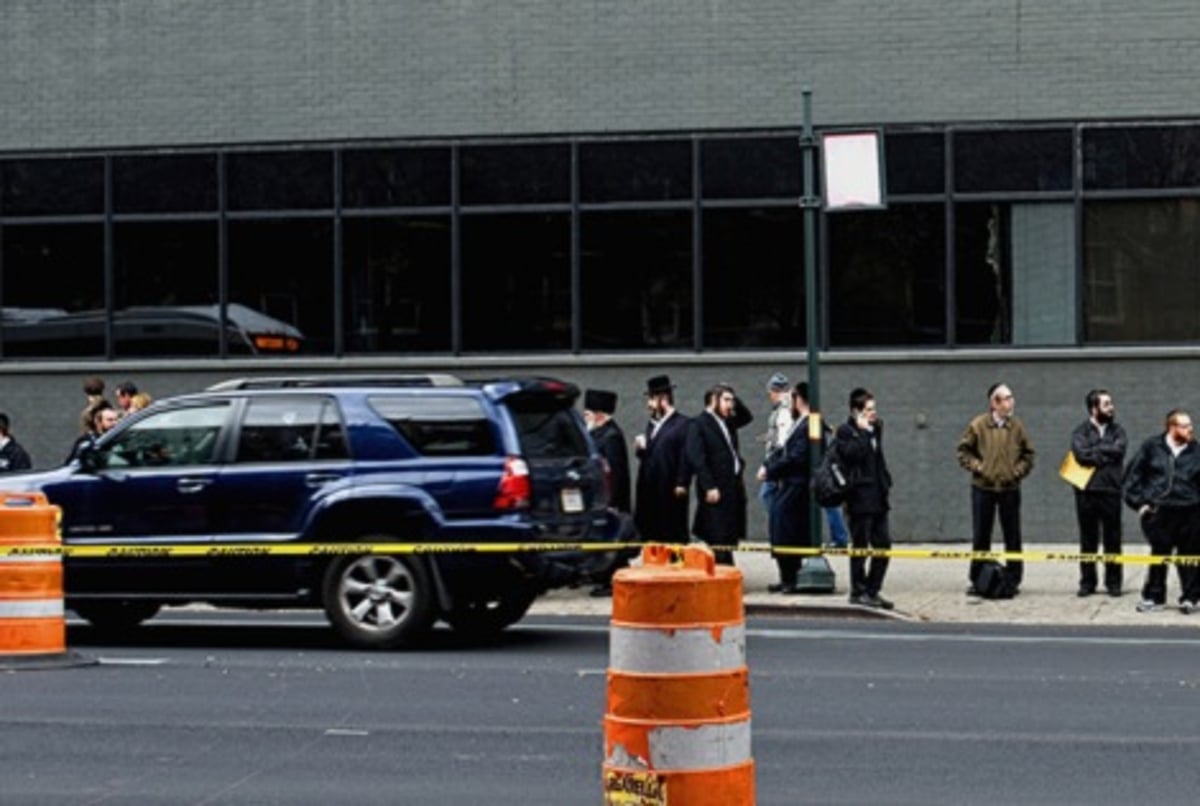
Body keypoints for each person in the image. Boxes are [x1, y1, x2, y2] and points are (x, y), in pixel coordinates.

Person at [956, 382, 1035, 596]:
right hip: (984, 488)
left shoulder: (1017, 427)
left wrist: (1017, 471)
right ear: (994, 403)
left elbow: (1028, 454)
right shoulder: (978, 426)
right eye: (1007, 398)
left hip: (1010, 488)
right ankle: (977, 578)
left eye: (1011, 397)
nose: (1011, 402)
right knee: (981, 535)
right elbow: (963, 451)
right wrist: (979, 467)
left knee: (1013, 535)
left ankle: (1014, 579)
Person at [1122, 409, 1200, 613]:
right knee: (1159, 554)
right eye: (1185, 426)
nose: (1190, 429)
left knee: (1190, 555)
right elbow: (1132, 477)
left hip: (1190, 511)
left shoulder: (1196, 451)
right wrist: (1139, 504)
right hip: (1159, 512)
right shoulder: (1151, 447)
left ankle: (1190, 597)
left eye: (1190, 425)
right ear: (1172, 428)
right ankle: (1154, 598)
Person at [836, 387, 894, 610]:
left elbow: (877, 458)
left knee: (883, 545)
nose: (873, 413)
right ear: (855, 412)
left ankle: (873, 589)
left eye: (874, 409)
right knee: (860, 546)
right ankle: (858, 590)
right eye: (868, 410)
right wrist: (862, 433)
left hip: (879, 496)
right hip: (859, 499)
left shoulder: (877, 427)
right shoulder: (845, 431)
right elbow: (852, 456)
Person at [686, 382, 753, 565]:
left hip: (732, 484)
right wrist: (709, 486)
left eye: (731, 401)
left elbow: (746, 417)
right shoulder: (699, 424)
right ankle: (723, 568)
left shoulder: (726, 422)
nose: (730, 405)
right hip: (715, 487)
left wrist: (732, 395)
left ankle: (726, 565)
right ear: (713, 400)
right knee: (717, 532)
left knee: (729, 532)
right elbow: (697, 458)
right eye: (726, 400)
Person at [1069, 389, 1127, 597]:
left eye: (1111, 403)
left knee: (1113, 539)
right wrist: (1104, 452)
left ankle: (1114, 583)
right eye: (1106, 404)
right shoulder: (1080, 432)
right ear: (1094, 409)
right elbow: (1080, 455)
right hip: (1086, 492)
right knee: (1088, 540)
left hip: (1111, 490)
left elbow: (1119, 450)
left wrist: (1095, 452)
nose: (1111, 408)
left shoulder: (1118, 431)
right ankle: (1087, 582)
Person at [758, 382, 812, 593]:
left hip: (796, 485)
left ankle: (791, 578)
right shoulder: (799, 423)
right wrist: (769, 465)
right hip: (789, 484)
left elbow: (797, 456)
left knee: (786, 529)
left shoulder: (808, 424)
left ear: (799, 400)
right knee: (781, 528)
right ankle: (787, 577)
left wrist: (771, 470)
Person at [583, 388, 633, 597]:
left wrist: (611, 501)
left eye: (587, 414)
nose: (584, 418)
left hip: (611, 501)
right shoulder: (599, 433)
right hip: (600, 501)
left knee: (612, 544)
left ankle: (611, 581)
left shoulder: (611, 436)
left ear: (599, 415)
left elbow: (616, 472)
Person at [633, 375, 692, 545]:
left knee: (671, 530)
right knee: (652, 531)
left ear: (663, 399)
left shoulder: (683, 424)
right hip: (651, 487)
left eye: (651, 399)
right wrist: (641, 449)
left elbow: (685, 456)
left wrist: (682, 482)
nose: (648, 405)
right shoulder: (652, 424)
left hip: (670, 486)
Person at [758, 371, 793, 515]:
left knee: (767, 495)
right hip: (778, 460)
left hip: (777, 461)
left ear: (775, 391)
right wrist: (768, 437)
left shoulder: (784, 411)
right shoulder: (783, 409)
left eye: (770, 392)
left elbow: (783, 440)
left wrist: (768, 464)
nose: (769, 396)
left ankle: (779, 525)